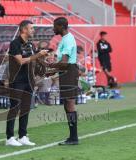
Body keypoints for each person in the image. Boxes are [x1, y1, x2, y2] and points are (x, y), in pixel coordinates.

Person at [6, 20, 48, 146]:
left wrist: (43, 59)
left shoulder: (30, 44)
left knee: (25, 108)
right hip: (17, 80)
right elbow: (20, 61)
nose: (33, 30)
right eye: (31, 28)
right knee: (14, 108)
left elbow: (33, 60)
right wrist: (37, 55)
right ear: (24, 29)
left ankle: (22, 136)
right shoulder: (15, 43)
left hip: (28, 80)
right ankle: (9, 138)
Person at [48, 17, 79, 145]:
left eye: (54, 26)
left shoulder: (68, 39)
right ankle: (72, 137)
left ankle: (74, 137)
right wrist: (53, 68)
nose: (53, 28)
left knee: (69, 103)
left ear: (61, 26)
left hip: (69, 71)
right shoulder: (64, 39)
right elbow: (62, 62)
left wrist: (50, 69)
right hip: (65, 71)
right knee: (67, 103)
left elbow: (65, 62)